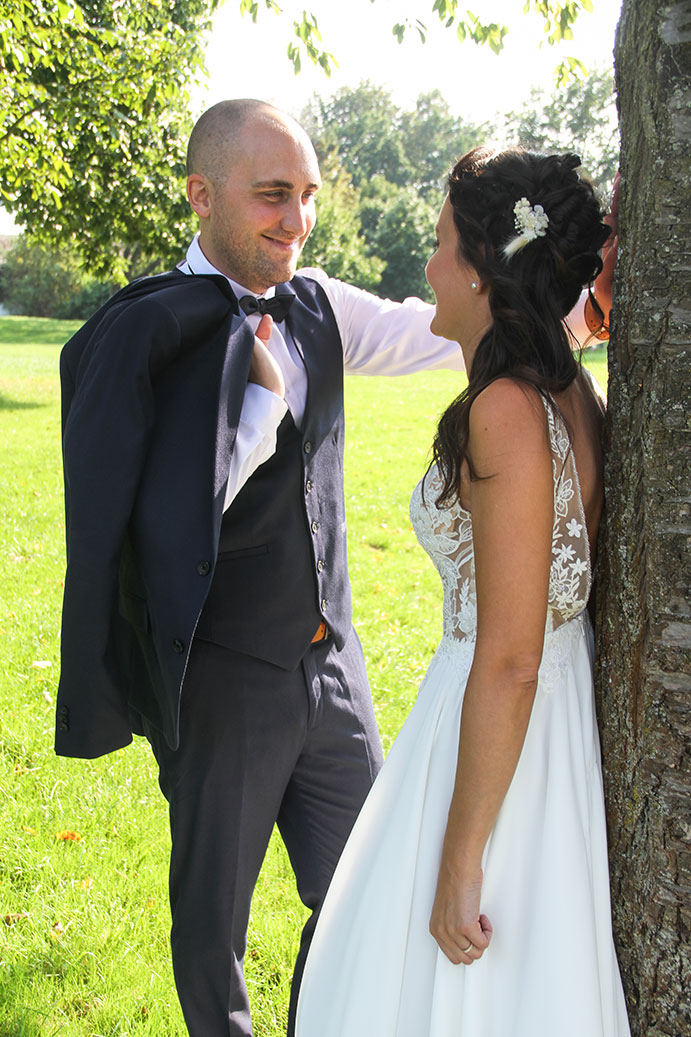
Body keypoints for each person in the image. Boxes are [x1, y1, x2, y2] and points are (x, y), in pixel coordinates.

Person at [56, 98, 467, 1037]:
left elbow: (433, 328)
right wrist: (256, 409)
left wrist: (572, 305)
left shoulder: (316, 302)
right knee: (214, 927)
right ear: (202, 195)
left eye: (308, 195)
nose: (297, 218)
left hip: (332, 664)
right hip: (220, 677)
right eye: (273, 194)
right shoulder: (148, 331)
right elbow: (143, 519)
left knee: (366, 889)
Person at [295, 148, 631, 1036]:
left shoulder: (505, 411)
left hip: (502, 734)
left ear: (481, 269)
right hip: (537, 723)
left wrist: (460, 857)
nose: (429, 263)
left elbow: (512, 657)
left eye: (442, 242)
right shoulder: (567, 388)